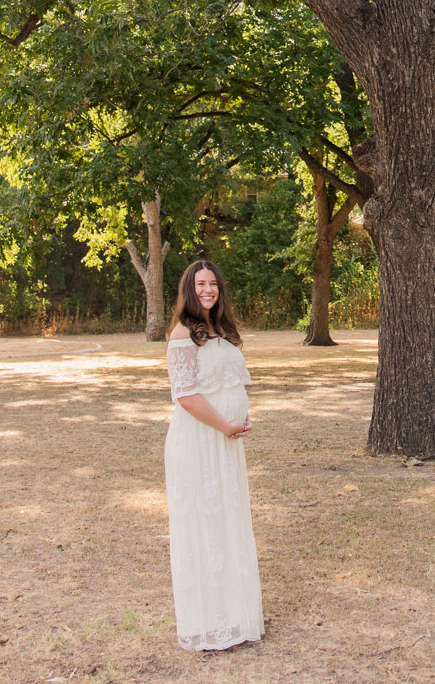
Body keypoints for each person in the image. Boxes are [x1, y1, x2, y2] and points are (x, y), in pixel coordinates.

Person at [163, 259, 264, 651]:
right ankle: (208, 622)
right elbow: (185, 395)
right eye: (200, 284)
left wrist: (238, 418)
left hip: (225, 441)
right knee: (205, 525)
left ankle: (236, 614)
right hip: (200, 441)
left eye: (213, 284)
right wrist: (225, 425)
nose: (208, 290)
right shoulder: (182, 333)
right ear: (189, 289)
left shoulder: (219, 330)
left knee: (228, 520)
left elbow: (228, 382)